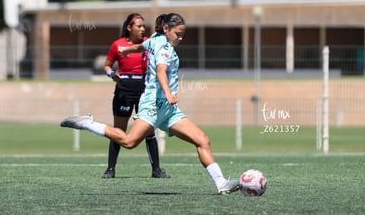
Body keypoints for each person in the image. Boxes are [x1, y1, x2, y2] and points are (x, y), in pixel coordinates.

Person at [61, 13, 239, 194]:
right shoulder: (164, 48)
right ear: (167, 29)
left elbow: (141, 46)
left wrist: (126, 51)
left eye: (182, 33)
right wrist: (169, 93)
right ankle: (88, 123)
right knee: (129, 142)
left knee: (202, 140)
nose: (181, 37)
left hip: (169, 110)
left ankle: (221, 183)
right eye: (178, 33)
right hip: (153, 105)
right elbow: (161, 71)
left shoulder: (155, 39)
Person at [102, 13, 169, 179]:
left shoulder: (149, 43)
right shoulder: (118, 45)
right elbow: (107, 66)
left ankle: (156, 170)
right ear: (129, 28)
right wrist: (111, 74)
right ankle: (110, 169)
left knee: (149, 130)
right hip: (124, 90)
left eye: (143, 26)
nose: (142, 29)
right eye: (138, 26)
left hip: (145, 91)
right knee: (118, 130)